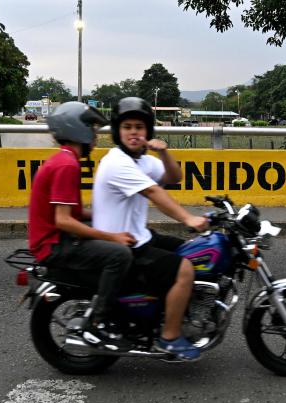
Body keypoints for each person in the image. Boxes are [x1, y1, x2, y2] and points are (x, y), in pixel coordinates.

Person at [92, 97, 209, 361]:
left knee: (191, 251)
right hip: (122, 245)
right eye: (128, 127)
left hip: (140, 236)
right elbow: (155, 192)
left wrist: (164, 152)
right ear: (117, 131)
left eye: (140, 127)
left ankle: (171, 309)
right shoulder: (117, 162)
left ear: (148, 131)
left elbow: (174, 178)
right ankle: (169, 338)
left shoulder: (143, 160)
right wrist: (188, 219)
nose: (134, 132)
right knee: (184, 270)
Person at [28, 101, 137, 350]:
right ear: (78, 130)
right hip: (55, 244)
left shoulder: (63, 160)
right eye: (92, 129)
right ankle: (98, 323)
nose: (95, 137)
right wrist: (112, 237)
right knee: (119, 255)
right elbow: (64, 220)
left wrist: (113, 217)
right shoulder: (67, 165)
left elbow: (76, 212)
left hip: (56, 238)